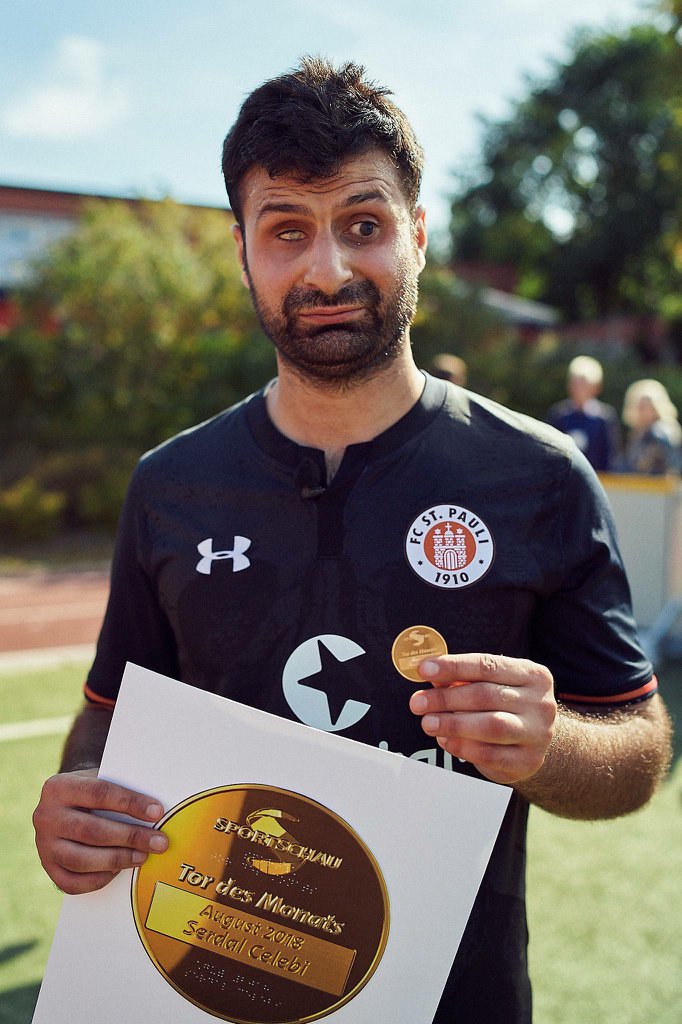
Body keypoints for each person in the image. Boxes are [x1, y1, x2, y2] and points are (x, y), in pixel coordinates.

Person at [33, 58, 671, 1024]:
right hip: (207, 986)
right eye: (287, 230)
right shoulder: (170, 486)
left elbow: (637, 752)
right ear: (243, 250)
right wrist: (81, 794)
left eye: (363, 225)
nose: (327, 268)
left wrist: (549, 747)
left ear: (416, 235)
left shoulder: (537, 478)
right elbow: (109, 715)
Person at [547, 355, 621, 471]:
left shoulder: (605, 418)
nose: (578, 389)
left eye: (583, 384)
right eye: (575, 384)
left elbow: (610, 457)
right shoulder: (558, 414)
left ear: (596, 387)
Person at [620, 378, 682, 475]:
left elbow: (673, 467)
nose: (640, 411)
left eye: (644, 407)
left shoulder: (661, 431)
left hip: (658, 487)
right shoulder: (638, 431)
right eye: (638, 406)